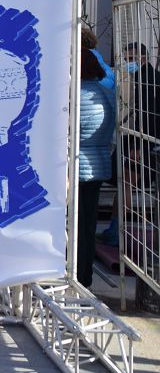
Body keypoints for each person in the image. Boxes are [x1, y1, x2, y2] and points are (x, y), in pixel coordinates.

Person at [77, 46, 116, 288]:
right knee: (88, 225)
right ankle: (85, 276)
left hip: (77, 166)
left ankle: (75, 275)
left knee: (73, 225)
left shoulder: (75, 95)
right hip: (99, 163)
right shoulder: (107, 92)